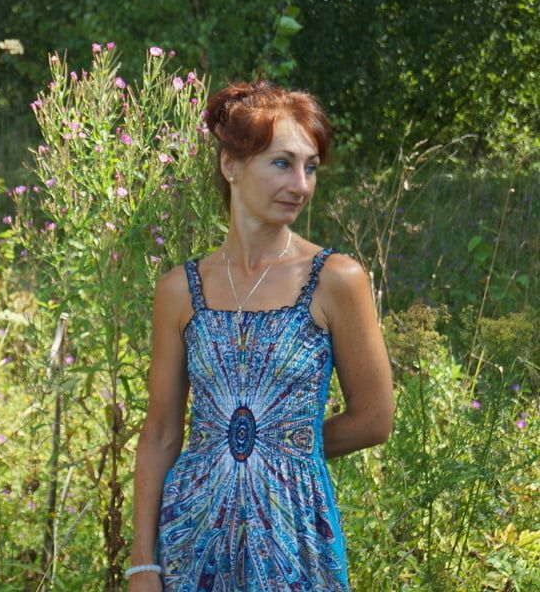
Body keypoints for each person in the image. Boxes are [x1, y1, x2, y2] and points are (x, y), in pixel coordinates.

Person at [126, 80, 395, 591]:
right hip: (192, 532)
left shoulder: (337, 279)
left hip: (294, 533)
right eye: (281, 163)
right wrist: (143, 563)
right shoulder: (180, 290)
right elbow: (161, 431)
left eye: (310, 166)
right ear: (231, 164)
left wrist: (277, 447)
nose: (300, 184)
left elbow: (374, 421)